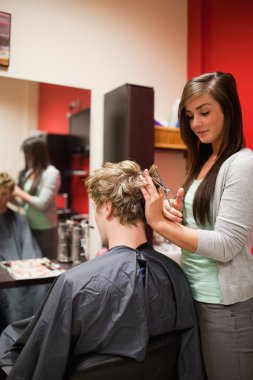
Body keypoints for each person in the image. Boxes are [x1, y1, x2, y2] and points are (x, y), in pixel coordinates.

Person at [0, 160, 206, 380]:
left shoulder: (72, 284)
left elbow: (40, 360)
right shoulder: (174, 274)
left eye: (95, 209)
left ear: (106, 207)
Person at [141, 72, 253, 380]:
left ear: (228, 110)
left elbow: (226, 246)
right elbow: (201, 228)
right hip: (193, 294)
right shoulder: (205, 160)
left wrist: (159, 224)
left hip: (224, 305)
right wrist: (175, 213)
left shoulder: (242, 164)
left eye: (204, 112)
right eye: (190, 116)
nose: (195, 123)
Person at [0, 172, 47, 332]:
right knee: (10, 293)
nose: (0, 198)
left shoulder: (20, 219)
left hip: (21, 267)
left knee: (41, 287)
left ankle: (33, 334)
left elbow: (30, 251)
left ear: (9, 194)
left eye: (4, 194)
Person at [13, 135, 61, 259]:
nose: (26, 157)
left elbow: (42, 204)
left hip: (45, 229)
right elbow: (25, 204)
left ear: (37, 153)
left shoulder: (52, 173)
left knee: (48, 264)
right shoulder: (30, 172)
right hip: (28, 225)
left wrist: (18, 192)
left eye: (27, 153)